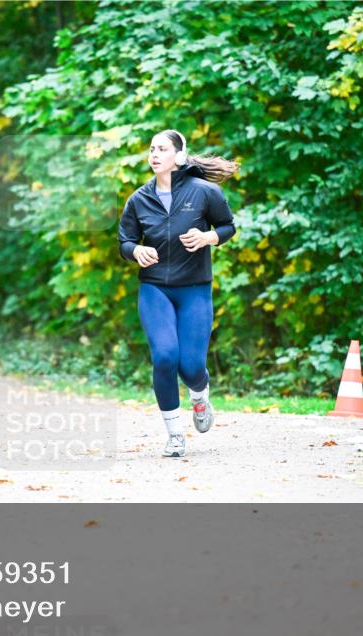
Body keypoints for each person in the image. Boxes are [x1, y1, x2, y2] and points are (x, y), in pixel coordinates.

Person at [118, 129, 239, 458]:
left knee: (190, 366)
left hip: (194, 289)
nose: (154, 154)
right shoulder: (139, 199)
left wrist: (207, 238)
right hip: (155, 288)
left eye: (162, 149)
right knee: (165, 357)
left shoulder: (204, 192)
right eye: (151, 149)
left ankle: (200, 395)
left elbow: (227, 226)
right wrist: (135, 252)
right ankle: (174, 435)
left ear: (178, 156)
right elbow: (125, 242)